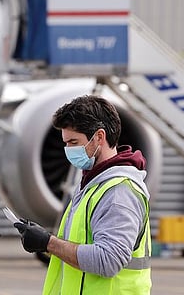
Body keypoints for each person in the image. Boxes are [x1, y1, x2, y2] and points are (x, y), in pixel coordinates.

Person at [14, 95, 152, 294]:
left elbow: (108, 260)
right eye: (66, 143)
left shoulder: (118, 193)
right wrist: (43, 242)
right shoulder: (91, 185)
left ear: (99, 137)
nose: (68, 150)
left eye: (73, 142)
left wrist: (49, 243)